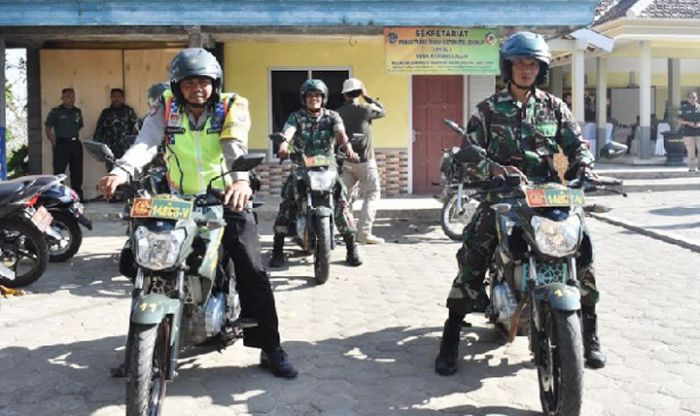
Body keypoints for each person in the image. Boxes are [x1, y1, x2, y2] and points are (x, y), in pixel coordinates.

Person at [98, 48, 297, 379]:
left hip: (226, 196)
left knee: (251, 268)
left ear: (214, 83)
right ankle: (140, 347)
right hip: (177, 200)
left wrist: (241, 182)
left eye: (204, 82)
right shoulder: (165, 104)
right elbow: (147, 142)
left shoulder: (231, 105)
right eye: (189, 83)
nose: (197, 89)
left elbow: (234, 146)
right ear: (177, 86)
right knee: (138, 260)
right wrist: (121, 171)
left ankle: (270, 347)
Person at [434, 31, 606, 376]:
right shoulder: (488, 109)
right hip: (502, 194)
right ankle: (452, 330)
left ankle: (589, 332)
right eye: (519, 63)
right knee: (475, 251)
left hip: (546, 194)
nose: (526, 70)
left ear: (541, 69)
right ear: (508, 67)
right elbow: (471, 151)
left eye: (532, 64)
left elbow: (577, 145)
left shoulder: (555, 107)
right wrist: (492, 169)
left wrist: (586, 167)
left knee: (580, 248)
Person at [269, 79, 363, 267]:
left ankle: (352, 249)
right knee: (288, 200)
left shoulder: (332, 116)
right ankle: (278, 249)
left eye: (318, 95)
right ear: (304, 99)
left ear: (324, 98)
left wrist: (348, 149)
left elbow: (341, 135)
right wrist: (283, 144)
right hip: (302, 166)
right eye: (310, 96)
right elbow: (288, 132)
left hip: (327, 166)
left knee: (341, 201)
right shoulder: (296, 117)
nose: (314, 99)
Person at [337, 78, 386, 244]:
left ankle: (346, 231)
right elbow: (383, 111)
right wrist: (367, 96)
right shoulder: (366, 109)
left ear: (344, 95)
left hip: (345, 162)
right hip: (365, 161)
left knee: (344, 198)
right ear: (359, 93)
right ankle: (364, 233)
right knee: (372, 194)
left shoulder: (337, 114)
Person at [45, 87, 84, 201]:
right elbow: (48, 128)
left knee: (77, 172)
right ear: (62, 98)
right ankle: (58, 198)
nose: (71, 99)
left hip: (75, 144)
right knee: (59, 172)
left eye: (72, 96)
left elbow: (79, 126)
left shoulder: (77, 112)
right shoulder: (56, 111)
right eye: (67, 96)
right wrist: (53, 141)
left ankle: (77, 197)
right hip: (62, 143)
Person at [93, 88, 138, 171]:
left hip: (126, 150)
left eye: (119, 96)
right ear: (111, 97)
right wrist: (99, 149)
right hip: (110, 150)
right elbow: (99, 131)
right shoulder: (106, 113)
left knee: (126, 174)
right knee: (111, 173)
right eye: (114, 96)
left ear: (122, 98)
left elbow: (137, 130)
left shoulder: (129, 112)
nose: (116, 99)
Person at [678, 91, 700, 172]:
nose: (693, 99)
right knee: (691, 152)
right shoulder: (683, 108)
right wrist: (688, 123)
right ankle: (692, 168)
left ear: (697, 98)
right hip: (688, 133)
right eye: (691, 97)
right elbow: (679, 120)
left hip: (699, 132)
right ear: (688, 99)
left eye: (694, 97)